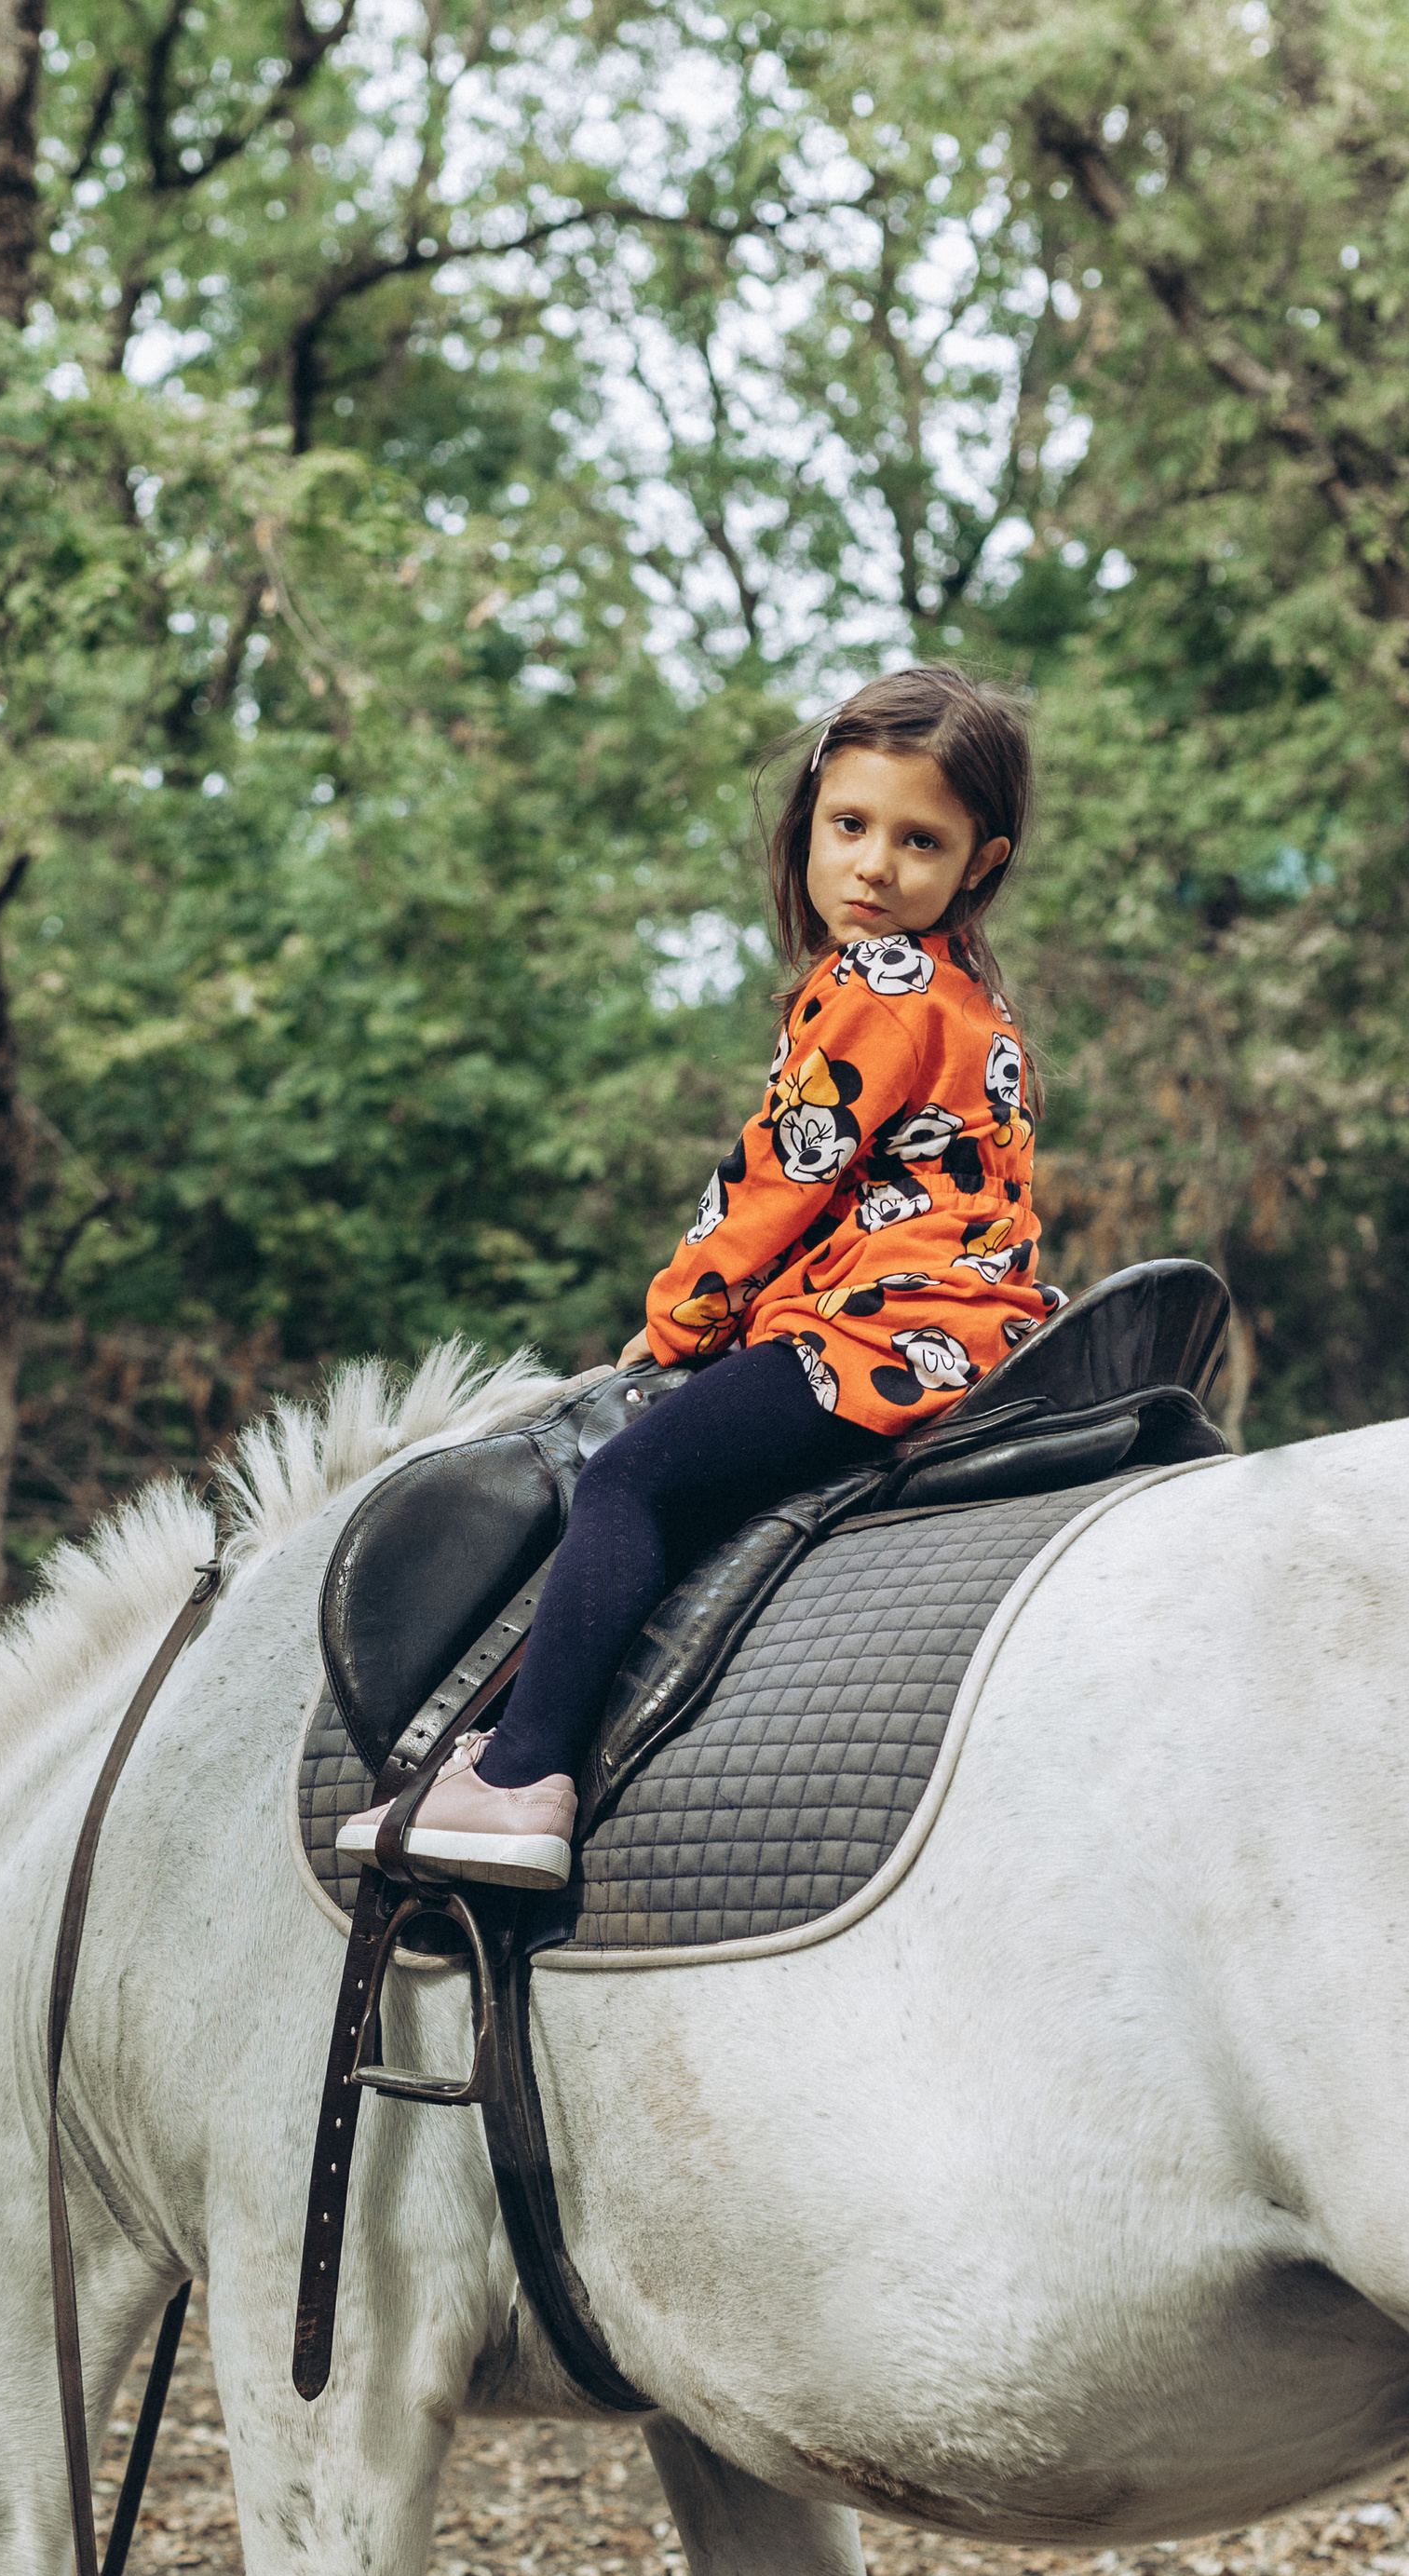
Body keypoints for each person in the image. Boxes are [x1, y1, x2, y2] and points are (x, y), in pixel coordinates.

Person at [340, 661, 1051, 1894]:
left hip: (876, 1333)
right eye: (851, 826)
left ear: (978, 863)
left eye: (918, 840)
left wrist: (678, 1316)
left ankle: (524, 1779)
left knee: (629, 1480)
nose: (874, 866)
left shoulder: (874, 988)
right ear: (812, 823)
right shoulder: (965, 997)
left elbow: (780, 1177)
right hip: (975, 1326)